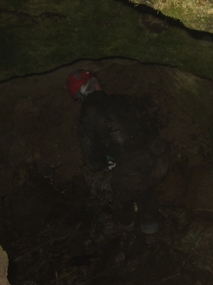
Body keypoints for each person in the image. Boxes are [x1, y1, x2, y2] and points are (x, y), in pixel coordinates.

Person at [67, 70, 169, 234]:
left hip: (135, 174)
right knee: (144, 186)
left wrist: (108, 164)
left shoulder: (88, 117)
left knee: (122, 193)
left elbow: (92, 163)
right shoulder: (127, 99)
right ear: (96, 85)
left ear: (80, 95)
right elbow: (151, 130)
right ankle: (151, 228)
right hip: (161, 161)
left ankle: (126, 226)